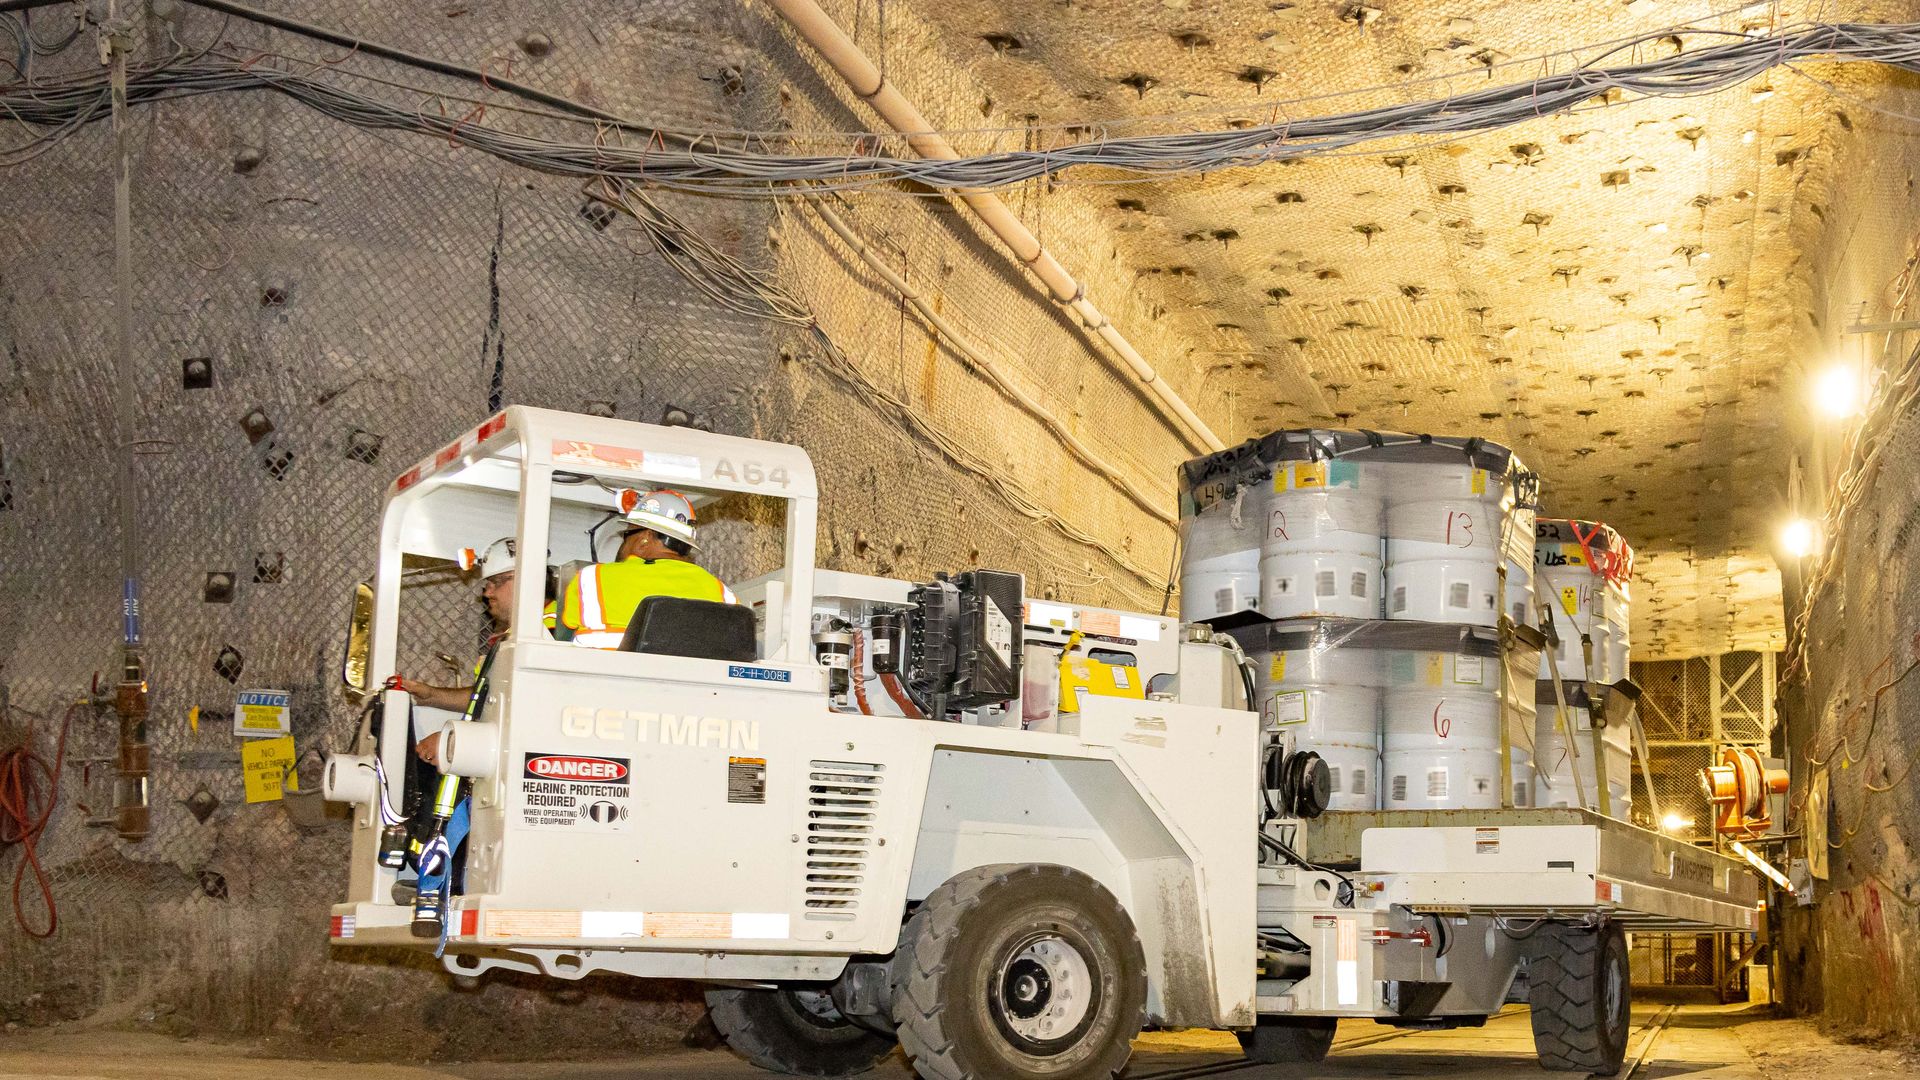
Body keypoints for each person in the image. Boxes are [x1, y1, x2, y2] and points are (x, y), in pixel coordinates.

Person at [560, 489, 735, 648]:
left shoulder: (592, 577)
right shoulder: (722, 593)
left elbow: (562, 631)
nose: (623, 543)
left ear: (644, 539)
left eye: (627, 535)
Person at [396, 537, 518, 764]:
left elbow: (523, 713)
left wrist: (452, 741)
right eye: (487, 584)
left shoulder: (549, 633)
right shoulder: (514, 636)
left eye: (498, 582)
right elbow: (488, 699)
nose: (488, 593)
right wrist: (431, 694)